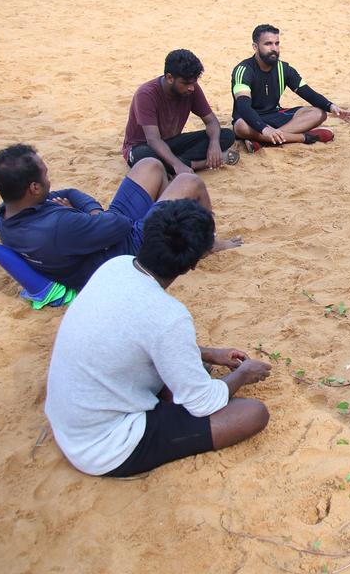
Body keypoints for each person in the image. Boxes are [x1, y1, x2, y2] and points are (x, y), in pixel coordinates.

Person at [45, 199, 271, 477]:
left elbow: (137, 335)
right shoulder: (169, 316)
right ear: (193, 264)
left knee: (194, 370)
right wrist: (244, 374)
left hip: (72, 417)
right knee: (252, 413)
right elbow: (204, 403)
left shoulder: (117, 266)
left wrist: (210, 353)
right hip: (103, 446)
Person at [0, 144, 240, 289]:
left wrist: (90, 216)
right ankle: (207, 242)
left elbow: (70, 193)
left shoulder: (6, 215)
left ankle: (170, 227)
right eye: (44, 175)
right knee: (190, 181)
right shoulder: (58, 225)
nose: (49, 179)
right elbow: (118, 224)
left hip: (102, 235)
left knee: (149, 165)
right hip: (123, 252)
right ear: (34, 188)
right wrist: (90, 213)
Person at [231, 24, 350, 150]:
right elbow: (244, 107)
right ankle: (303, 138)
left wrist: (331, 106)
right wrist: (264, 129)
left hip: (274, 115)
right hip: (250, 119)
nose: (274, 48)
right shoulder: (243, 70)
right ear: (255, 47)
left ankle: (266, 141)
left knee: (319, 113)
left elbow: (308, 93)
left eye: (277, 43)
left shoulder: (284, 68)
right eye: (268, 44)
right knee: (240, 127)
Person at [122, 49, 237, 175]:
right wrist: (178, 165)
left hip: (172, 143)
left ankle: (177, 163)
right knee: (145, 158)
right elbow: (153, 140)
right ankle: (198, 164)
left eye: (194, 82)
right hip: (144, 146)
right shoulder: (146, 94)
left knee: (226, 135)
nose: (192, 88)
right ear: (170, 78)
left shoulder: (192, 89)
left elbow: (211, 121)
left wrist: (214, 144)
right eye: (186, 83)